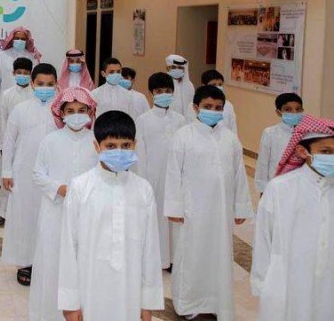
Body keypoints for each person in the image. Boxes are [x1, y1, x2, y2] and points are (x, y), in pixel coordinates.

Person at [58, 111, 164, 321]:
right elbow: (68, 248)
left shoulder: (143, 190)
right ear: (97, 146)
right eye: (111, 146)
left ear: (135, 145)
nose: (119, 151)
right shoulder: (80, 187)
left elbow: (150, 250)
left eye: (126, 145)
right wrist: (70, 303)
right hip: (89, 290)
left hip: (130, 293)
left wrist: (148, 303)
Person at [164, 85, 253, 320]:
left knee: (219, 256)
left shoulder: (230, 139)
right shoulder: (183, 136)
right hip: (191, 210)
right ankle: (188, 303)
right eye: (207, 106)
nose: (213, 111)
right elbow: (173, 173)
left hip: (221, 211)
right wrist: (174, 207)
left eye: (218, 107)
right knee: (191, 256)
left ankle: (218, 303)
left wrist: (240, 207)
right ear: (195, 108)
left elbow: (239, 174)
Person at [251, 115, 334, 321]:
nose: (332, 157)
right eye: (326, 152)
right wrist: (262, 284)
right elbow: (263, 239)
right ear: (302, 151)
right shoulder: (280, 188)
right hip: (288, 281)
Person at [29, 87, 98, 321]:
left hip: (88, 213)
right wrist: (59, 188)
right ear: (61, 113)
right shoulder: (50, 140)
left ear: (90, 112)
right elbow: (38, 174)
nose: (76, 114)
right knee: (52, 262)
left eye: (81, 110)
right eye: (70, 110)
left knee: (83, 262)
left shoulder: (96, 141)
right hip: (55, 212)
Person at [1, 63, 60, 286]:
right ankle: (25, 262)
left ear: (57, 84)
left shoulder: (61, 110)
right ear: (33, 84)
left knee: (49, 217)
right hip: (23, 172)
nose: (45, 88)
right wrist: (6, 171)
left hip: (53, 174)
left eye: (50, 84)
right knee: (24, 218)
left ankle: (46, 263)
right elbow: (9, 141)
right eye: (41, 84)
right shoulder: (20, 109)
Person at [134, 72, 187, 270]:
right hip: (152, 177)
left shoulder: (180, 120)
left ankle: (173, 258)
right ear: (151, 94)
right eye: (159, 91)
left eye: (167, 91)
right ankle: (158, 258)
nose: (163, 94)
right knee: (156, 218)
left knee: (174, 218)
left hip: (176, 178)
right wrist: (143, 181)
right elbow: (140, 153)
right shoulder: (143, 120)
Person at [0, 57, 34, 225]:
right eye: (19, 72)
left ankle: (23, 211)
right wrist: (3, 145)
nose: (22, 75)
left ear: (31, 74)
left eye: (26, 73)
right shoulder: (7, 94)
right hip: (10, 142)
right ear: (13, 73)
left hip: (29, 142)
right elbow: (3, 121)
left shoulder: (34, 94)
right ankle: (2, 211)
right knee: (7, 176)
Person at [254, 92, 304, 194]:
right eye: (288, 109)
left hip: (300, 185)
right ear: (278, 112)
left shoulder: (307, 134)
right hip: (276, 184)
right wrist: (263, 189)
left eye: (298, 109)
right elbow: (263, 163)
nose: (294, 112)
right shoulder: (270, 133)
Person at [0, 27, 41, 119]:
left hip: (27, 99)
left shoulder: (32, 56)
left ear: (26, 41)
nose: (20, 41)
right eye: (17, 38)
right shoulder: (2, 56)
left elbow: (36, 81)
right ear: (12, 39)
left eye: (23, 39)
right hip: (7, 101)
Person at [193, 69, 238, 136]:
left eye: (220, 84)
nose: (217, 87)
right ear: (204, 86)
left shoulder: (229, 105)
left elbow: (233, 128)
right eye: (213, 85)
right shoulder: (196, 104)